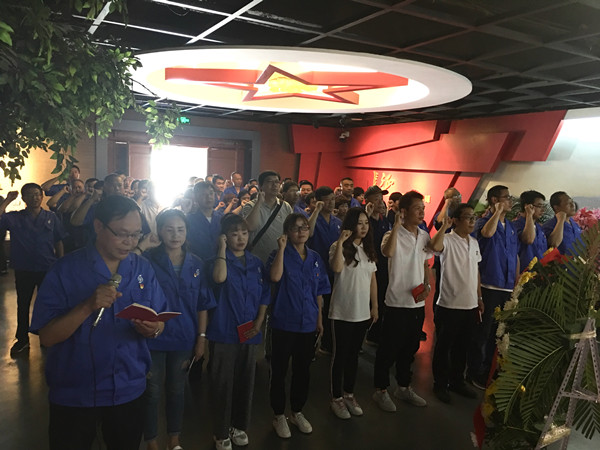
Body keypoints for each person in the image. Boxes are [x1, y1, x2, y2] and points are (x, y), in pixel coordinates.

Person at [30, 195, 168, 450]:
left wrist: (154, 329)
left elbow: (160, 320)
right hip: (75, 393)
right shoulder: (65, 270)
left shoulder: (142, 269)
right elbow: (47, 337)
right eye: (122, 234)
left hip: (128, 388)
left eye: (136, 235)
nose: (130, 242)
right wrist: (86, 307)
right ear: (98, 226)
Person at [141, 209, 216, 450]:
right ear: (159, 231)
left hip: (184, 337)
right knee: (152, 392)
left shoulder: (196, 264)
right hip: (152, 337)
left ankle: (174, 439)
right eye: (169, 229)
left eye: (181, 230)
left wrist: (201, 338)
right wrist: (142, 245)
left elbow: (203, 304)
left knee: (176, 390)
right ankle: (151, 441)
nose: (175, 235)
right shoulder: (147, 260)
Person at [208, 214, 270, 450]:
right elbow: (219, 278)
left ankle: (239, 425)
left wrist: (260, 320)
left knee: (246, 380)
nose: (241, 238)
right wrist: (221, 250)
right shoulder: (217, 261)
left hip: (250, 331)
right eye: (234, 234)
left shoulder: (256, 263)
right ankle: (221, 431)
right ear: (224, 237)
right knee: (222, 383)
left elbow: (264, 294)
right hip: (224, 331)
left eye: (244, 233)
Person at [267, 213, 330, 438]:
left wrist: (319, 319)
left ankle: (297, 411)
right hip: (284, 322)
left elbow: (319, 292)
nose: (301, 231)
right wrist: (282, 249)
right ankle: (278, 415)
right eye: (295, 228)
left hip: (308, 323)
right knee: (279, 370)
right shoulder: (278, 254)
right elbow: (275, 277)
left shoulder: (315, 257)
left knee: (303, 371)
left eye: (304, 227)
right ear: (287, 232)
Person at [373, 190, 432, 412]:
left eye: (423, 209)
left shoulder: (424, 236)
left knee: (410, 348)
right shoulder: (391, 234)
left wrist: (427, 286)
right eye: (417, 208)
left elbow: (426, 264)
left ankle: (404, 387)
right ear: (404, 211)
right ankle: (380, 390)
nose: (422, 212)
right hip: (396, 302)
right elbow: (387, 253)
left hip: (417, 302)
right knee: (388, 348)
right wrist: (397, 226)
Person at [0, 183, 67, 355]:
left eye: (37, 194)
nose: (35, 197)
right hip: (24, 269)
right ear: (23, 198)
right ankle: (22, 340)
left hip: (47, 268)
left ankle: (47, 336)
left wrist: (60, 263)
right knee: (23, 304)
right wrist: (7, 201)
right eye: (30, 194)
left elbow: (58, 241)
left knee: (48, 304)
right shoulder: (15, 217)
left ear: (42, 196)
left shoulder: (51, 217)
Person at [428, 204, 482, 403]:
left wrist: (479, 298)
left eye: (474, 217)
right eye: (468, 217)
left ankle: (456, 381)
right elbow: (434, 247)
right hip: (449, 304)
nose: (472, 221)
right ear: (456, 220)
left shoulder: (474, 242)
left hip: (470, 304)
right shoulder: (448, 240)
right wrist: (444, 226)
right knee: (444, 347)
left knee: (463, 346)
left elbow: (476, 271)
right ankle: (440, 384)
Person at [328, 207, 378, 419]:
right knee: (340, 355)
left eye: (366, 223)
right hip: (342, 311)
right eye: (359, 223)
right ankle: (336, 397)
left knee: (354, 356)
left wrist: (375, 306)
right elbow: (336, 268)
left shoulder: (368, 249)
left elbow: (372, 279)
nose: (364, 227)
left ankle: (349, 393)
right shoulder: (338, 246)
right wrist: (341, 241)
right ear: (350, 225)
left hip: (361, 312)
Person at [467, 185, 518, 389]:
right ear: (495, 200)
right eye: (506, 197)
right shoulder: (483, 222)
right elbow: (487, 234)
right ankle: (474, 371)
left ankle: (489, 370)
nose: (510, 201)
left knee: (498, 333)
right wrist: (496, 212)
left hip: (507, 286)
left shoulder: (511, 227)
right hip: (489, 284)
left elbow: (514, 255)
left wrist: (516, 283)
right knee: (483, 331)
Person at [307, 186, 341, 353]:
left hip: (333, 271)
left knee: (330, 309)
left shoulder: (337, 222)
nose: (331, 202)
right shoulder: (312, 218)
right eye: (327, 200)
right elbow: (309, 233)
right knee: (315, 308)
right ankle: (311, 345)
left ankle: (327, 343)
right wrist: (316, 210)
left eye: (333, 199)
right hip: (316, 271)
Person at [241, 170, 293, 263]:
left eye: (277, 182)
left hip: (279, 258)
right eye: (270, 182)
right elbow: (250, 226)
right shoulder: (250, 206)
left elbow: (291, 230)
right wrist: (259, 203)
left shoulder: (286, 206)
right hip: (255, 259)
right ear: (261, 186)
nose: (275, 185)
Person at [363, 186, 392, 345]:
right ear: (367, 202)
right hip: (368, 266)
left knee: (380, 299)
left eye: (381, 199)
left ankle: (375, 333)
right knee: (368, 300)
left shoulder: (384, 220)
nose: (381, 202)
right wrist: (366, 215)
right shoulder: (364, 220)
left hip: (383, 266)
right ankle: (365, 334)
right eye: (376, 199)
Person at [186, 181, 224, 261]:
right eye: (203, 194)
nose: (209, 197)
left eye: (211, 193)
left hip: (220, 262)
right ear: (196, 198)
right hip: (197, 262)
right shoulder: (188, 220)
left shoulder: (221, 218)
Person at [514, 190, 548, 270]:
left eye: (543, 206)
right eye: (539, 206)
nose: (543, 210)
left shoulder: (539, 227)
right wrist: (529, 214)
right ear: (528, 206)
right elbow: (529, 239)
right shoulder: (516, 225)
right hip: (525, 273)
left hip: (540, 272)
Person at [542, 191, 582, 256]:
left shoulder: (574, 223)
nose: (573, 205)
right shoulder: (549, 226)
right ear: (557, 208)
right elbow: (554, 244)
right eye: (568, 203)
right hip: (563, 262)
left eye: (572, 202)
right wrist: (560, 221)